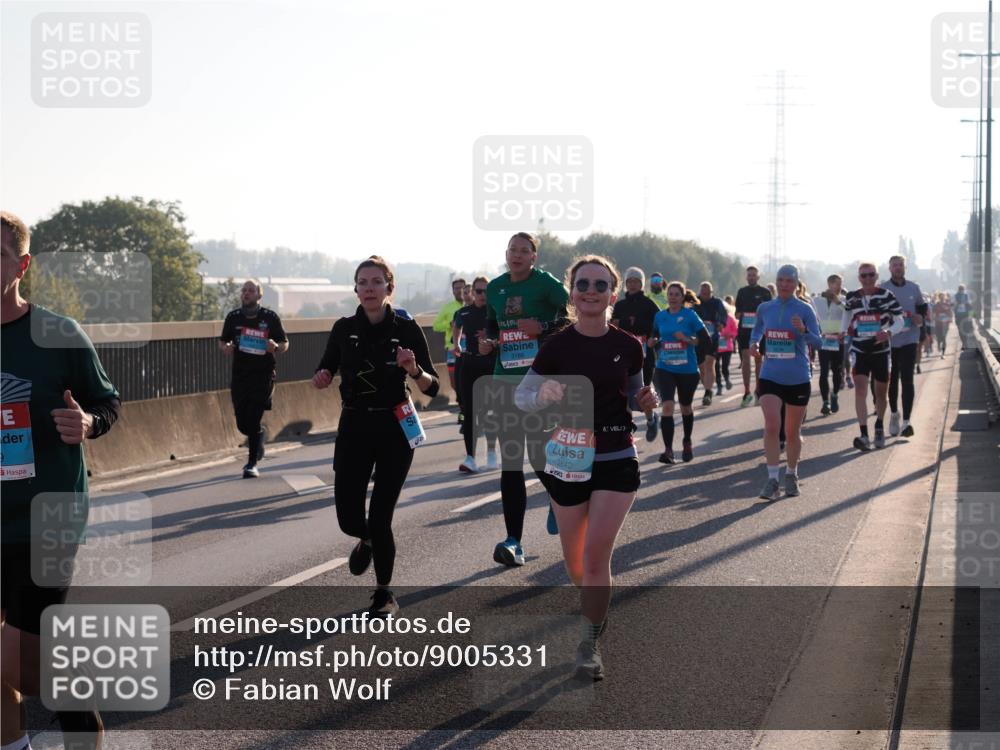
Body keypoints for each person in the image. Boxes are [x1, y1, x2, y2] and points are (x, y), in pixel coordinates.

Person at [2, 211, 121, 750]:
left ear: (22, 264)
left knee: (37, 664)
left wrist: (88, 423)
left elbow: (107, 402)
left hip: (46, 517)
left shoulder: (57, 333)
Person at [514, 255, 657, 680]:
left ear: (612, 294)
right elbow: (523, 397)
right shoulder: (557, 345)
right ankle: (594, 612)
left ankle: (589, 643)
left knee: (597, 556)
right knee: (576, 567)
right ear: (572, 293)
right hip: (568, 462)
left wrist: (645, 403)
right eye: (583, 285)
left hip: (616, 457)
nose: (591, 291)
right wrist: (543, 395)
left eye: (599, 285)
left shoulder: (628, 345)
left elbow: (635, 395)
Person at [312, 256, 439, 616]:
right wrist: (321, 377)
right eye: (363, 282)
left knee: (381, 515)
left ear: (389, 288)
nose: (369, 288)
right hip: (354, 424)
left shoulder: (406, 328)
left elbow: (432, 387)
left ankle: (384, 593)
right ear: (355, 289)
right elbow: (325, 367)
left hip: (395, 427)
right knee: (348, 518)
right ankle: (366, 538)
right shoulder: (343, 327)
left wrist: (414, 370)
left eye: (376, 282)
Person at [480, 233, 569, 564]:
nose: (517, 255)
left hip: (540, 382)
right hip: (505, 381)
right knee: (512, 461)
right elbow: (493, 324)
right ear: (506, 254)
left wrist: (542, 326)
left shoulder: (546, 284)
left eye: (524, 251)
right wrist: (488, 341)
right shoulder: (495, 288)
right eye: (512, 250)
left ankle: (560, 496)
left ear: (534, 257)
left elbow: (571, 319)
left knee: (538, 456)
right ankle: (513, 541)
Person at [749, 265, 822, 501]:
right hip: (770, 374)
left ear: (796, 283)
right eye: (780, 280)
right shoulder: (765, 307)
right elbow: (757, 329)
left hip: (798, 377)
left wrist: (803, 331)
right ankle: (772, 479)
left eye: (789, 281)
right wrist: (755, 343)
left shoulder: (804, 309)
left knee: (792, 432)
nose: (784, 284)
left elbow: (818, 342)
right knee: (771, 425)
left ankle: (791, 473)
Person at [219, 280, 288, 478]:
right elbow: (223, 341)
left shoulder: (269, 317)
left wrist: (275, 347)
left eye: (251, 290)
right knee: (243, 423)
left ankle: (251, 464)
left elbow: (285, 343)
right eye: (244, 290)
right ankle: (258, 436)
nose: (246, 293)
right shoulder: (233, 317)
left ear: (259, 295)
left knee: (254, 416)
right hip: (240, 376)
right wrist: (226, 348)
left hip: (263, 375)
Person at [842, 262, 905, 452]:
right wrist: (844, 332)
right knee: (860, 390)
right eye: (863, 276)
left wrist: (888, 332)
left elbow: (900, 319)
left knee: (880, 393)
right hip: (860, 350)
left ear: (877, 276)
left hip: (881, 351)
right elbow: (846, 318)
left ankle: (879, 425)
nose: (867, 279)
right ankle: (863, 434)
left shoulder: (886, 295)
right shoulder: (852, 297)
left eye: (871, 275)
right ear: (859, 278)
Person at [649, 282, 712, 464]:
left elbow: (705, 340)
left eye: (677, 294)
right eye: (670, 294)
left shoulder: (690, 315)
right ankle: (668, 451)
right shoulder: (660, 316)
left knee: (685, 407)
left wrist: (687, 339)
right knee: (667, 406)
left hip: (687, 370)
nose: (673, 297)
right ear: (667, 295)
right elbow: (654, 335)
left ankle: (686, 441)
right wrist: (652, 341)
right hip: (665, 368)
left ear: (682, 297)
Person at [452, 276, 498, 472]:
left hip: (490, 365)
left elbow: (505, 332)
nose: (482, 295)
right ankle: (470, 457)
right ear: (472, 293)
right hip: (469, 364)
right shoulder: (464, 312)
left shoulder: (495, 313)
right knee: (469, 411)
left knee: (489, 412)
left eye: (486, 291)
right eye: (478, 291)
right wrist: (456, 344)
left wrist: (493, 342)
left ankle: (491, 453)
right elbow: (457, 325)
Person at [611, 266, 661, 442]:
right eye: (630, 281)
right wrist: (627, 322)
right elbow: (612, 325)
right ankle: (627, 426)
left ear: (642, 284)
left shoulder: (649, 305)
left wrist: (653, 337)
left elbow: (659, 326)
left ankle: (651, 419)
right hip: (622, 353)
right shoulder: (620, 305)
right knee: (623, 390)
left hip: (645, 354)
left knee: (643, 390)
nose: (632, 284)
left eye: (636, 281)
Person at [885, 256, 926, 438]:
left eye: (901, 265)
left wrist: (920, 317)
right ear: (890, 268)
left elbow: (922, 307)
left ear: (905, 267)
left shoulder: (913, 287)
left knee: (907, 378)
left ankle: (907, 422)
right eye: (895, 265)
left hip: (910, 338)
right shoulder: (884, 288)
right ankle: (894, 414)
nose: (898, 268)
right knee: (893, 379)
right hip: (890, 339)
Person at [735, 266, 773, 407]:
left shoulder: (765, 292)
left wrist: (759, 318)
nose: (751, 277)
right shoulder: (742, 292)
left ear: (758, 277)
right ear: (746, 277)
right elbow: (737, 314)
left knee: (758, 360)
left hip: (761, 332)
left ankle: (758, 390)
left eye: (753, 275)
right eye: (749, 275)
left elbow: (770, 312)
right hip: (745, 332)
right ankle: (746, 392)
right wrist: (744, 315)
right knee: (745, 360)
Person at [812, 274, 846, 415]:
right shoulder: (818, 300)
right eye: (835, 283)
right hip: (825, 339)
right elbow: (812, 316)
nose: (837, 286)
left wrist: (838, 302)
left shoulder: (844, 300)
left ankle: (835, 395)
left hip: (838, 339)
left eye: (839, 283)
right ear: (829, 284)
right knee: (824, 371)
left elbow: (849, 313)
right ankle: (825, 401)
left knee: (837, 370)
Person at [433, 278, 466, 418]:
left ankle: (466, 411)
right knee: (455, 382)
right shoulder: (448, 308)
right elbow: (436, 326)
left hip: (470, 349)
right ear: (452, 291)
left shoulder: (473, 305)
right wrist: (448, 324)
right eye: (456, 288)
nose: (459, 291)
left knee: (469, 380)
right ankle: (463, 404)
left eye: (461, 288)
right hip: (452, 349)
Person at [695, 282, 727, 406]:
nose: (705, 293)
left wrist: (721, 324)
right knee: (702, 368)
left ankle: (708, 392)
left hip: (713, 338)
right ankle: (707, 388)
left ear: (711, 292)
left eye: (707, 291)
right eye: (703, 291)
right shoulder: (695, 302)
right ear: (700, 291)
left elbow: (724, 316)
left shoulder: (717, 302)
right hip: (698, 339)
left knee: (709, 363)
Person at [714, 299, 738, 394]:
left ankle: (727, 379)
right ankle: (719, 386)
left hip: (727, 347)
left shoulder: (730, 318)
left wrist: (729, 335)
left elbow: (735, 331)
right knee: (715, 368)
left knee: (724, 367)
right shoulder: (714, 318)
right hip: (716, 346)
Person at [933, 292, 953, 358]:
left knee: (944, 337)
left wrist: (950, 318)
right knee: (939, 337)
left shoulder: (947, 304)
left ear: (944, 297)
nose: (942, 298)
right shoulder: (936, 305)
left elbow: (950, 313)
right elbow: (933, 314)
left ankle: (943, 353)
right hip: (938, 323)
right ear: (939, 297)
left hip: (945, 324)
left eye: (943, 297)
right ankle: (938, 344)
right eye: (940, 297)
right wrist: (935, 318)